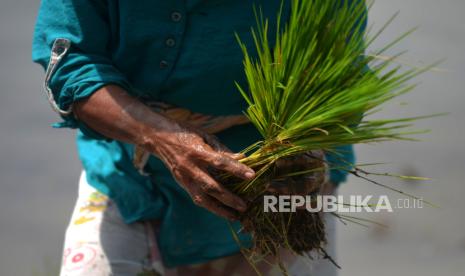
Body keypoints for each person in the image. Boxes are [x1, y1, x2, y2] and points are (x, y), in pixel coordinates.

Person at [32, 0, 365, 275]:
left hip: (279, 195)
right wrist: (163, 139)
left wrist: (306, 146)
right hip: (132, 177)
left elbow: (341, 72)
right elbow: (72, 62)